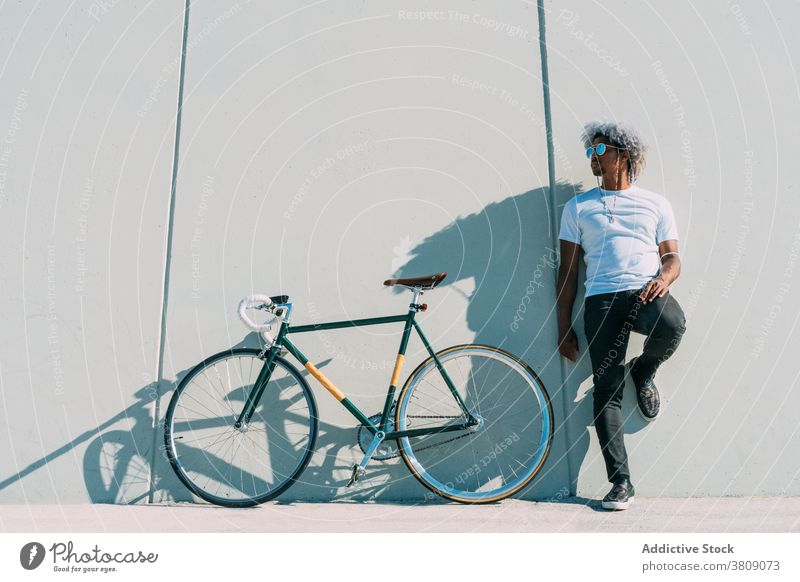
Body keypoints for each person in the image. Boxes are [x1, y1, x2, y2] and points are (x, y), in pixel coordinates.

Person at [556, 121, 687, 510]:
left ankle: (644, 370)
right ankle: (621, 482)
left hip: (646, 292)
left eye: (600, 151)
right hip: (601, 301)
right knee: (606, 390)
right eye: (589, 152)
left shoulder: (656, 203)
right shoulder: (577, 207)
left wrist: (664, 277)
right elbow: (567, 271)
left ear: (623, 155)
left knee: (674, 325)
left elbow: (673, 257)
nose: (593, 159)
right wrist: (563, 325)